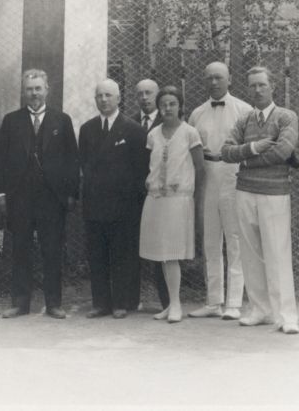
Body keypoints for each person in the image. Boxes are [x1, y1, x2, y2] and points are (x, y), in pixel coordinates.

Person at [221, 66, 299, 334]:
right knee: (250, 253)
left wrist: (244, 160)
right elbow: (225, 151)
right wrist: (252, 149)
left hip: (275, 193)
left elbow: (283, 152)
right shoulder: (244, 120)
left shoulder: (286, 117)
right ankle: (260, 309)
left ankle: (286, 315)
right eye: (252, 85)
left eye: (262, 85)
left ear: (272, 86)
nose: (256, 90)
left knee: (277, 252)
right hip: (245, 192)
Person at [0, 69, 79, 320]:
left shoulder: (61, 120)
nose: (34, 94)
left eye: (38, 88)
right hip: (20, 197)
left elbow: (72, 160)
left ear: (47, 90)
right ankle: (20, 303)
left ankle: (53, 303)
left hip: (51, 198)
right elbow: (0, 161)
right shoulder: (11, 121)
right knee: (20, 250)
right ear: (24, 91)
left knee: (51, 250)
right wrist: (1, 194)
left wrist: (70, 194)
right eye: (30, 89)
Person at [187, 62, 250, 321]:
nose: (214, 82)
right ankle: (214, 301)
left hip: (233, 173)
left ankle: (234, 303)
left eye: (219, 77)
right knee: (210, 240)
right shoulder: (196, 114)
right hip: (207, 175)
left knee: (234, 239)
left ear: (229, 79)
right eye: (209, 78)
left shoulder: (244, 110)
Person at [80, 79, 148, 318]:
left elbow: (141, 171)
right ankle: (100, 303)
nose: (104, 100)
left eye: (109, 95)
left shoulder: (134, 130)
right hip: (95, 204)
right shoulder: (87, 130)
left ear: (119, 98)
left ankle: (121, 302)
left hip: (123, 206)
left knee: (122, 255)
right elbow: (85, 168)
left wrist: (134, 204)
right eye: (99, 96)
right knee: (97, 256)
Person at [139, 86, 205, 323]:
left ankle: (175, 304)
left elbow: (200, 168)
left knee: (172, 254)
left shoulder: (190, 133)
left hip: (179, 201)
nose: (167, 109)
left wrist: (197, 199)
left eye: (172, 104)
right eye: (163, 104)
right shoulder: (153, 135)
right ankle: (170, 305)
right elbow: (150, 166)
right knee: (162, 254)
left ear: (180, 106)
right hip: (156, 200)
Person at [135, 78, 169, 312]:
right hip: (133, 195)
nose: (144, 97)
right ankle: (130, 298)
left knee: (162, 247)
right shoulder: (128, 122)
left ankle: (167, 301)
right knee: (131, 247)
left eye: (149, 93)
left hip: (160, 194)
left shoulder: (168, 121)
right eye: (140, 94)